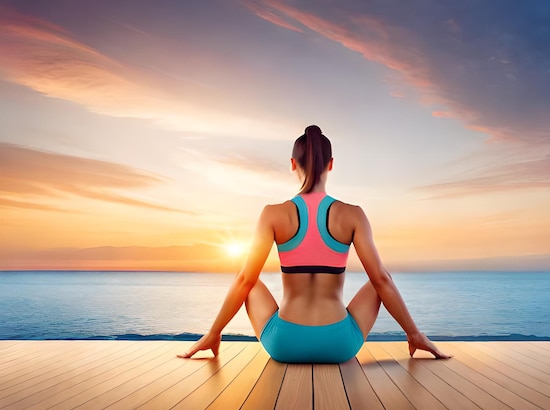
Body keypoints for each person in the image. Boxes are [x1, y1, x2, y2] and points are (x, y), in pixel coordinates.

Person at [178, 125, 451, 362]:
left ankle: (216, 337)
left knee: (248, 281)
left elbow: (244, 282)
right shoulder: (352, 214)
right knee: (380, 280)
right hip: (340, 345)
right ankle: (414, 337)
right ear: (330, 164)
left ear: (293, 164)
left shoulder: (272, 214)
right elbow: (381, 280)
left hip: (284, 345)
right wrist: (414, 334)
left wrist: (214, 333)